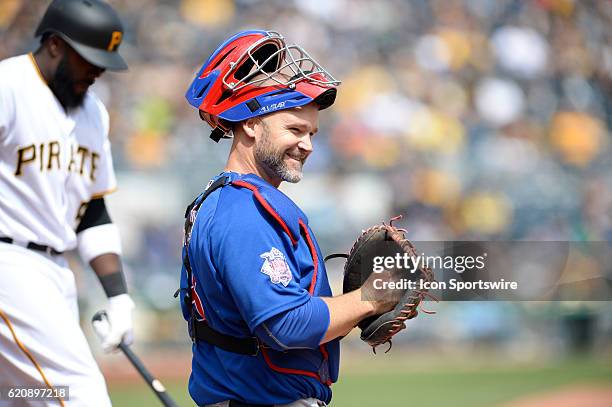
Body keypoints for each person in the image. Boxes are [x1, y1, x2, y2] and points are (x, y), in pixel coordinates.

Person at [181, 30, 398, 407]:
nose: (308, 145)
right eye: (295, 130)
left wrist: (349, 312)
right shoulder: (243, 212)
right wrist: (369, 300)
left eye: (312, 132)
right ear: (251, 123)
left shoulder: (236, 201)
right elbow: (286, 325)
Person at [0, 0, 134, 405]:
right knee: (81, 391)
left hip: (55, 273)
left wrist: (118, 294)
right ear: (55, 44)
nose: (97, 71)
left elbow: (92, 211)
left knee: (19, 396)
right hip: (11, 263)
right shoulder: (8, 87)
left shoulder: (93, 112)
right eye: (88, 59)